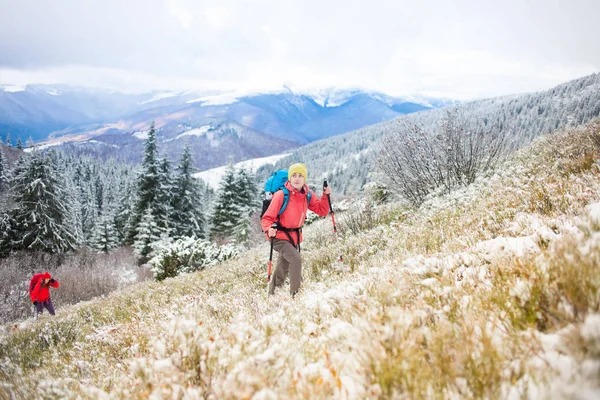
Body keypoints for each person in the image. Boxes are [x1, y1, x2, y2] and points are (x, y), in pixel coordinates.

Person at [261, 163, 332, 296]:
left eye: (300, 175)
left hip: (294, 237)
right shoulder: (281, 195)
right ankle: (296, 295)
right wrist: (268, 228)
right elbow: (266, 218)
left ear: (304, 178)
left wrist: (325, 196)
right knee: (295, 259)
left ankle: (273, 295)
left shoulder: (307, 195)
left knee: (283, 266)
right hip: (278, 235)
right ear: (289, 178)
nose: (297, 178)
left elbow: (322, 211)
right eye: (294, 175)